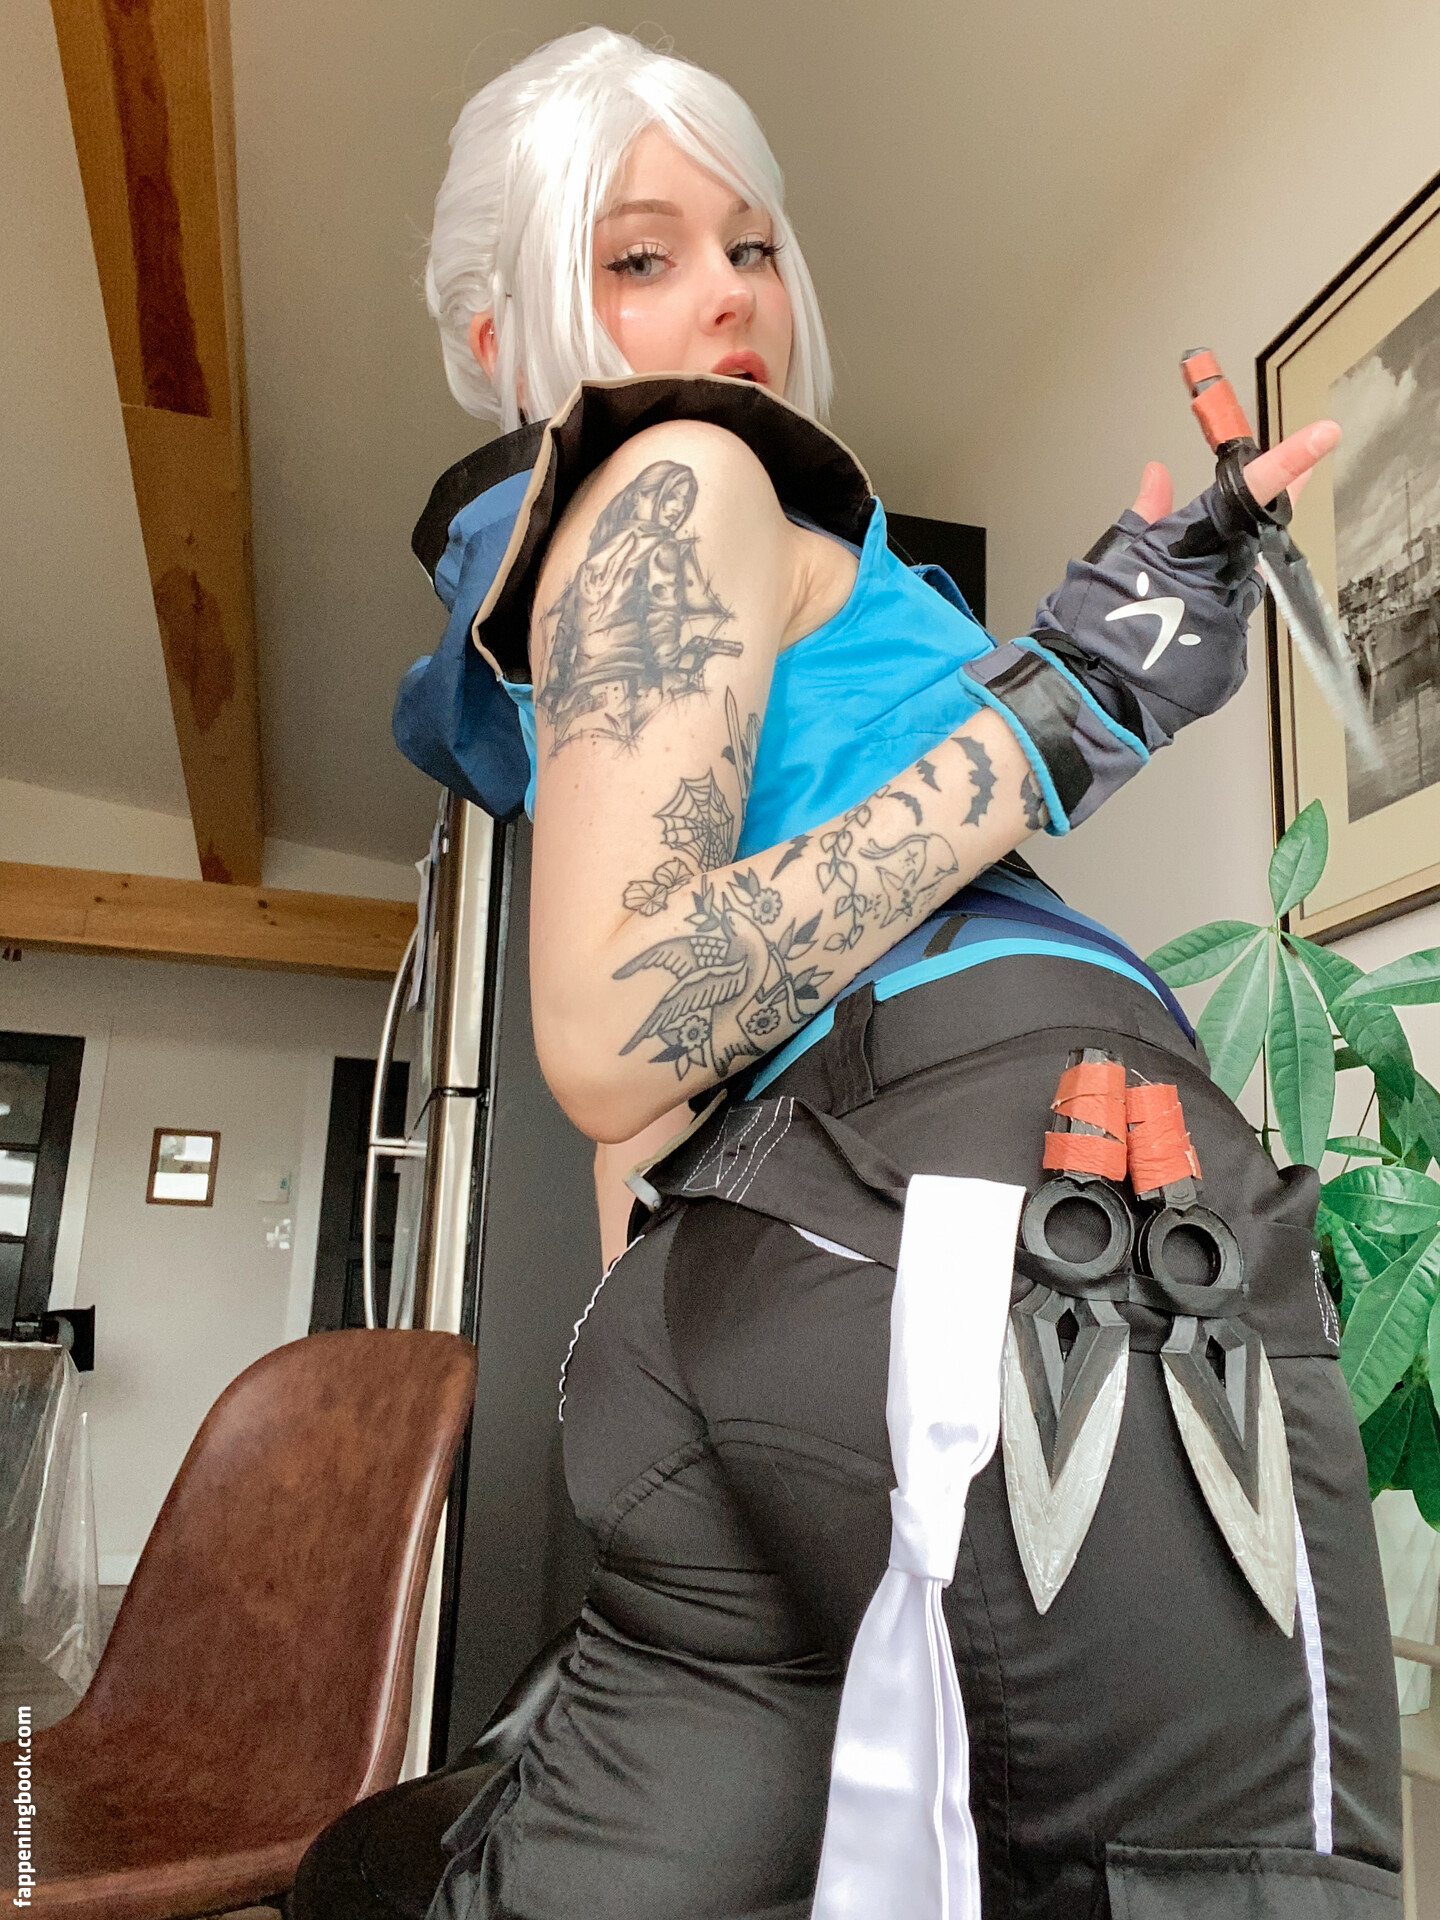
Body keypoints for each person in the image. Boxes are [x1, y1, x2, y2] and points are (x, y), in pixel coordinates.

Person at [372, 27, 1400, 1920]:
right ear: (500, 335)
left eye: (752, 246)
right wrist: (1070, 704)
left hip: (755, 1282)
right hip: (1013, 1226)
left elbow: (660, 1106)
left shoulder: (572, 578)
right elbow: (616, 1022)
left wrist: (654, 1373)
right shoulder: (685, 474)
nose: (731, 297)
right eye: (639, 255)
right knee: (1218, 1882)